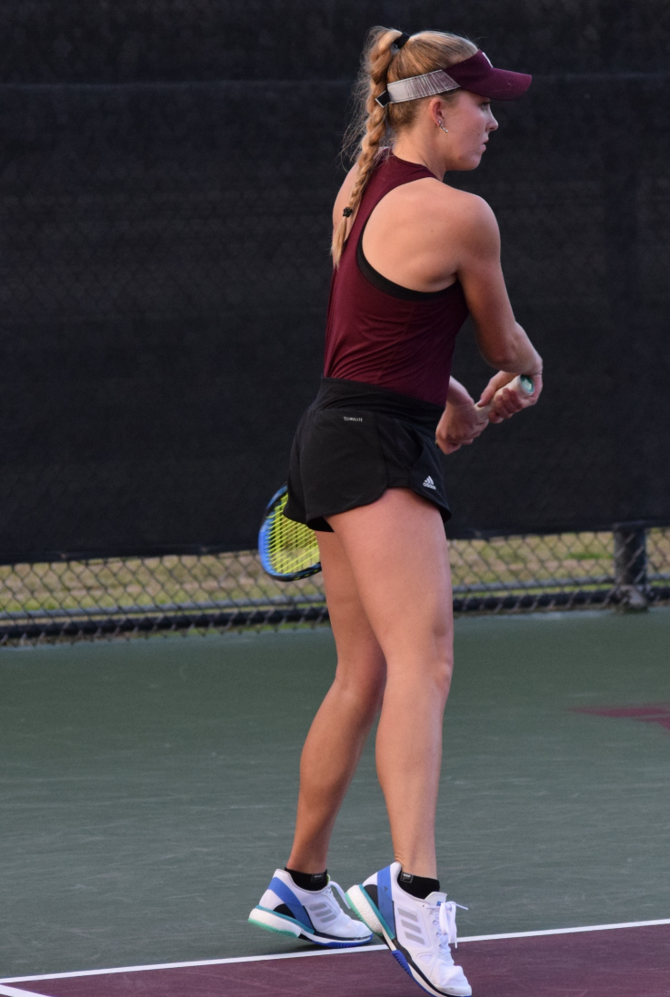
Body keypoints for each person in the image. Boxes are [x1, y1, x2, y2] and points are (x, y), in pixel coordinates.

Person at [245, 26, 540, 997]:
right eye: (483, 103)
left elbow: (381, 332)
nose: (493, 119)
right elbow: (507, 346)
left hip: (339, 432)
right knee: (428, 662)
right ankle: (412, 895)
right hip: (370, 447)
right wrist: (520, 380)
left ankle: (301, 881)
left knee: (364, 671)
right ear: (438, 109)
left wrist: (454, 407)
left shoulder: (361, 191)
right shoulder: (463, 216)